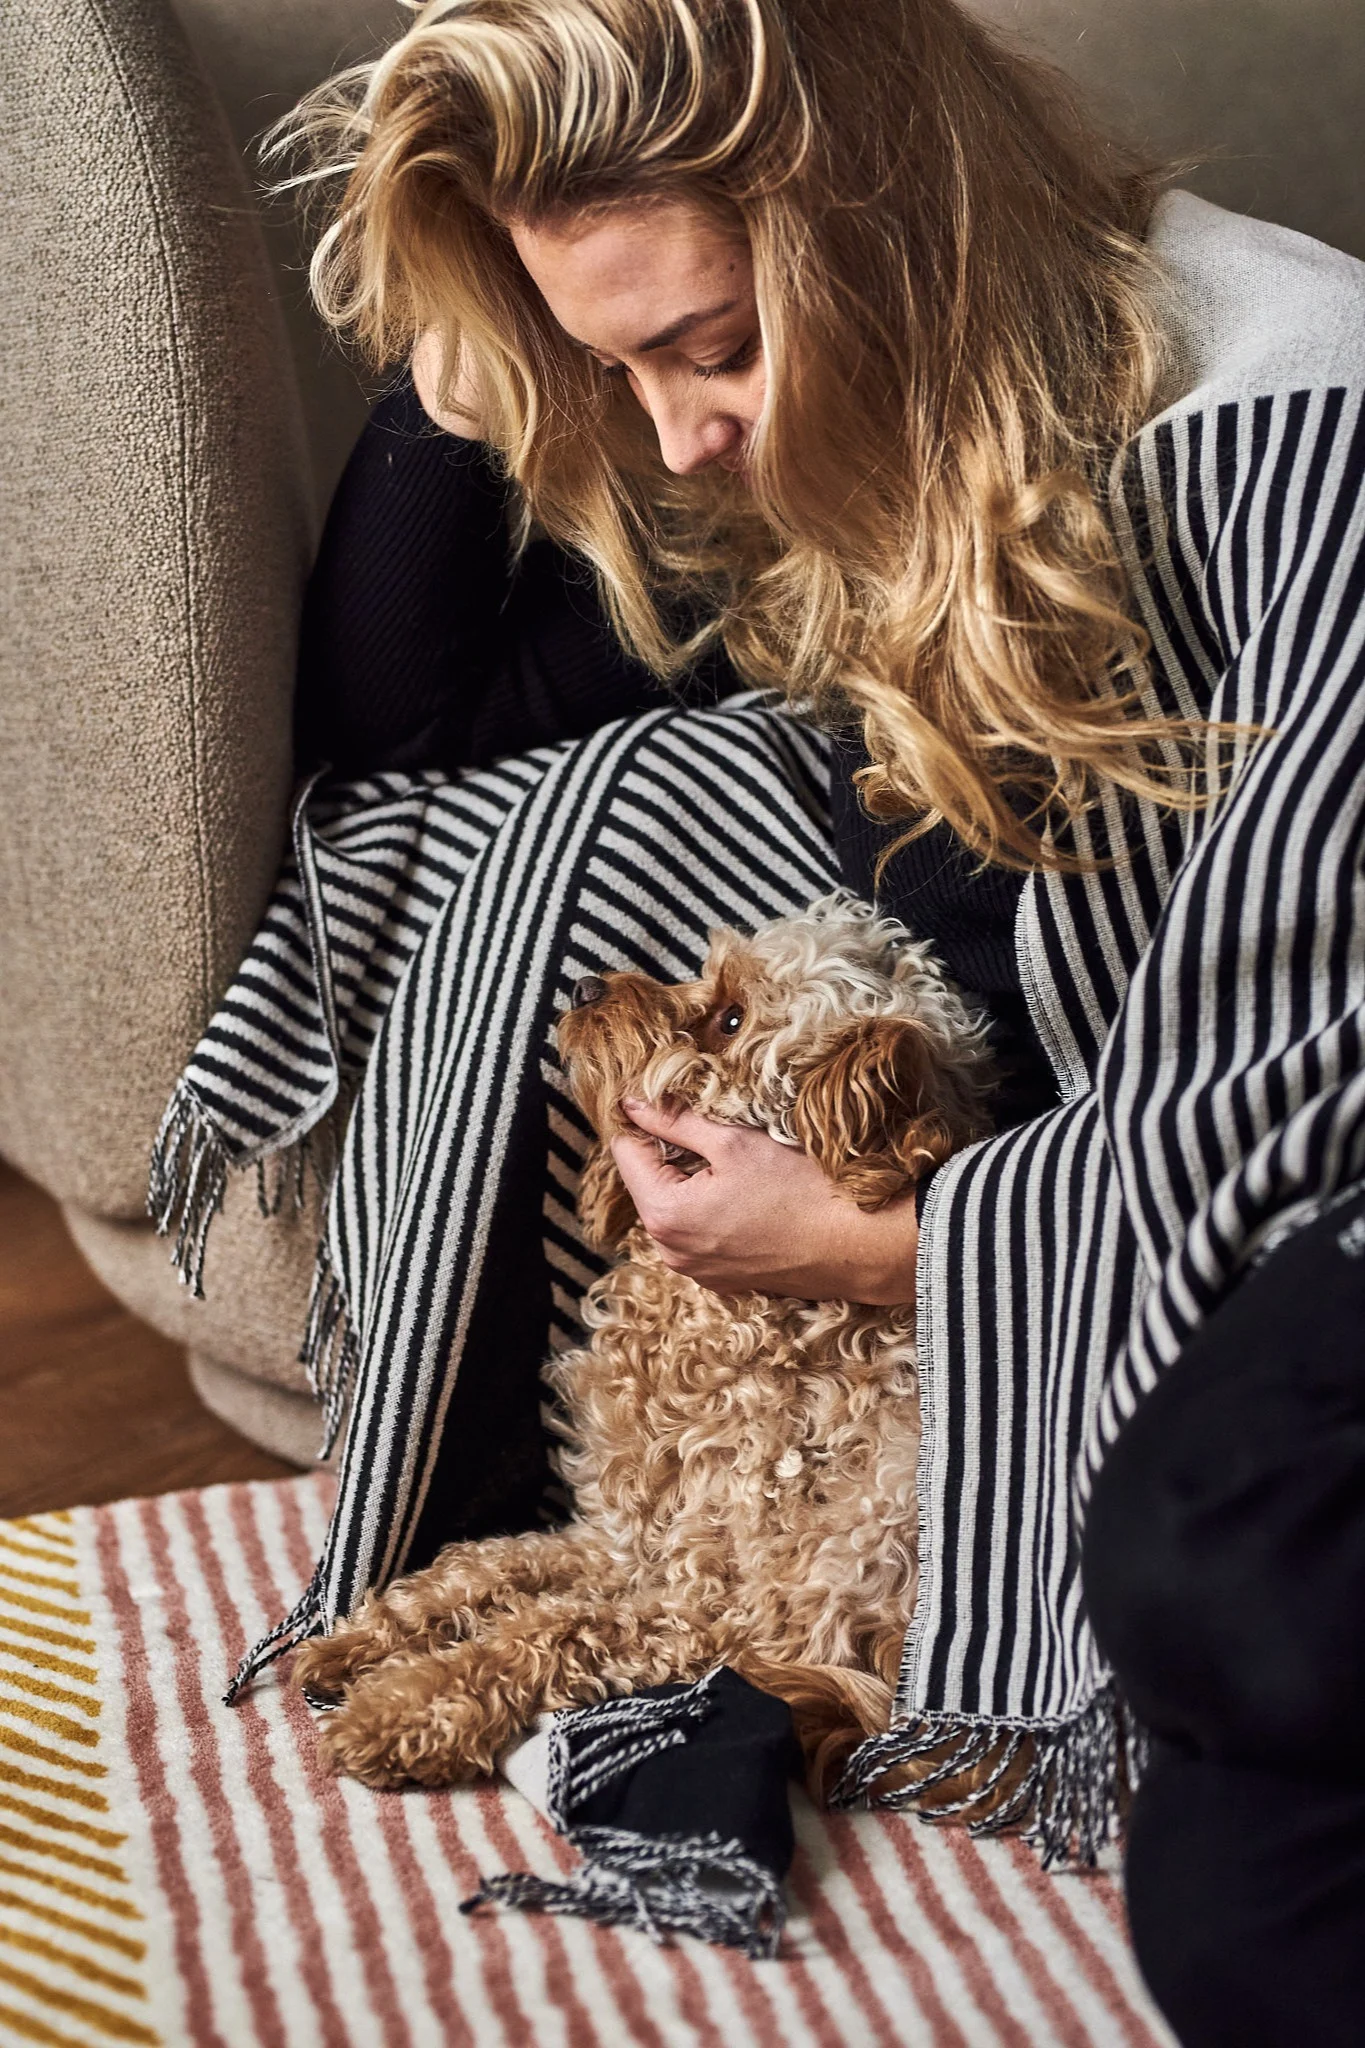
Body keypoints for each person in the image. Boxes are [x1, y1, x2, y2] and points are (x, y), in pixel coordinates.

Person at [277, 2, 1365, 2037]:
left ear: (892, 227)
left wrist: (866, 1246)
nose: (680, 434)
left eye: (709, 343)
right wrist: (497, 316)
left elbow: (1286, 1092)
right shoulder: (863, 457)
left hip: (1261, 1230)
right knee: (1234, 1901)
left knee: (1227, 1584)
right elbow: (397, 750)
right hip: (1058, 1227)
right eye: (623, 370)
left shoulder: (1297, 421)